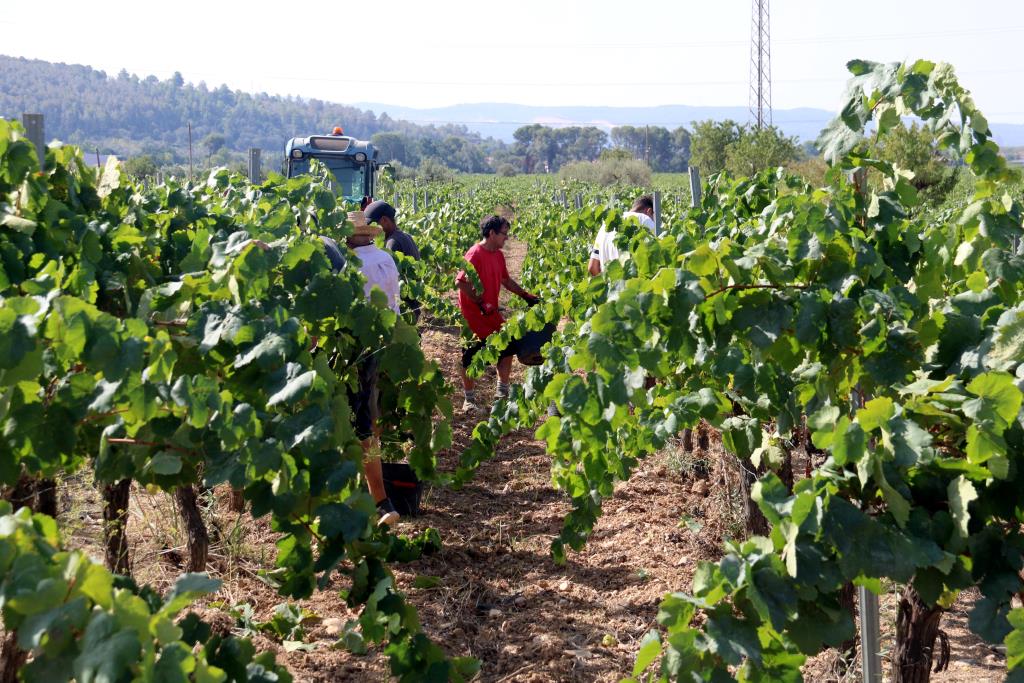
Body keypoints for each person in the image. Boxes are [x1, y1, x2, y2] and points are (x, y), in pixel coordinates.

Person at [321, 211, 403, 526]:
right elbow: (393, 303)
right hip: (378, 345)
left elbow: (342, 310)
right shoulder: (385, 258)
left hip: (350, 350)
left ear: (348, 236)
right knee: (368, 420)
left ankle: (366, 501)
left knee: (353, 424)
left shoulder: (350, 266)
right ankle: (378, 499)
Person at [456, 214, 539, 413]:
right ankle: (469, 400)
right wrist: (478, 301)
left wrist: (526, 295)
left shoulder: (498, 255)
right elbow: (460, 282)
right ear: (491, 233)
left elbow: (506, 280)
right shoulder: (475, 253)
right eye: (504, 234)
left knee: (507, 347)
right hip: (473, 317)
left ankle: (501, 393)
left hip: (491, 313)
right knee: (470, 358)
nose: (507, 238)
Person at [364, 200, 422, 321]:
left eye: (373, 224)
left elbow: (390, 281)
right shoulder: (404, 236)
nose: (370, 229)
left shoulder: (392, 243)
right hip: (411, 304)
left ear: (384, 220)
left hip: (403, 306)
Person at [588, 195, 658, 276]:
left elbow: (592, 267)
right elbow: (656, 259)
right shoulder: (644, 219)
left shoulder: (605, 225)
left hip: (612, 287)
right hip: (635, 287)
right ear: (649, 211)